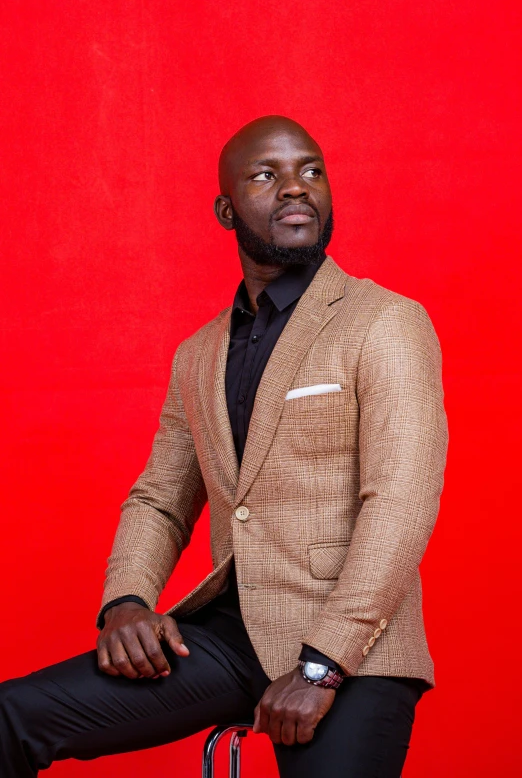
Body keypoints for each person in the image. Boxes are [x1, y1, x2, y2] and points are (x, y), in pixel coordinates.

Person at [0, 115, 448, 777]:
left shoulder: (383, 321)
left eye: (311, 172)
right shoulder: (199, 354)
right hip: (231, 638)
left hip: (357, 649)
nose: (297, 188)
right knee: (11, 716)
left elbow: (401, 499)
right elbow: (159, 497)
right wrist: (125, 599)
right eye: (267, 176)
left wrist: (322, 665)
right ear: (225, 208)